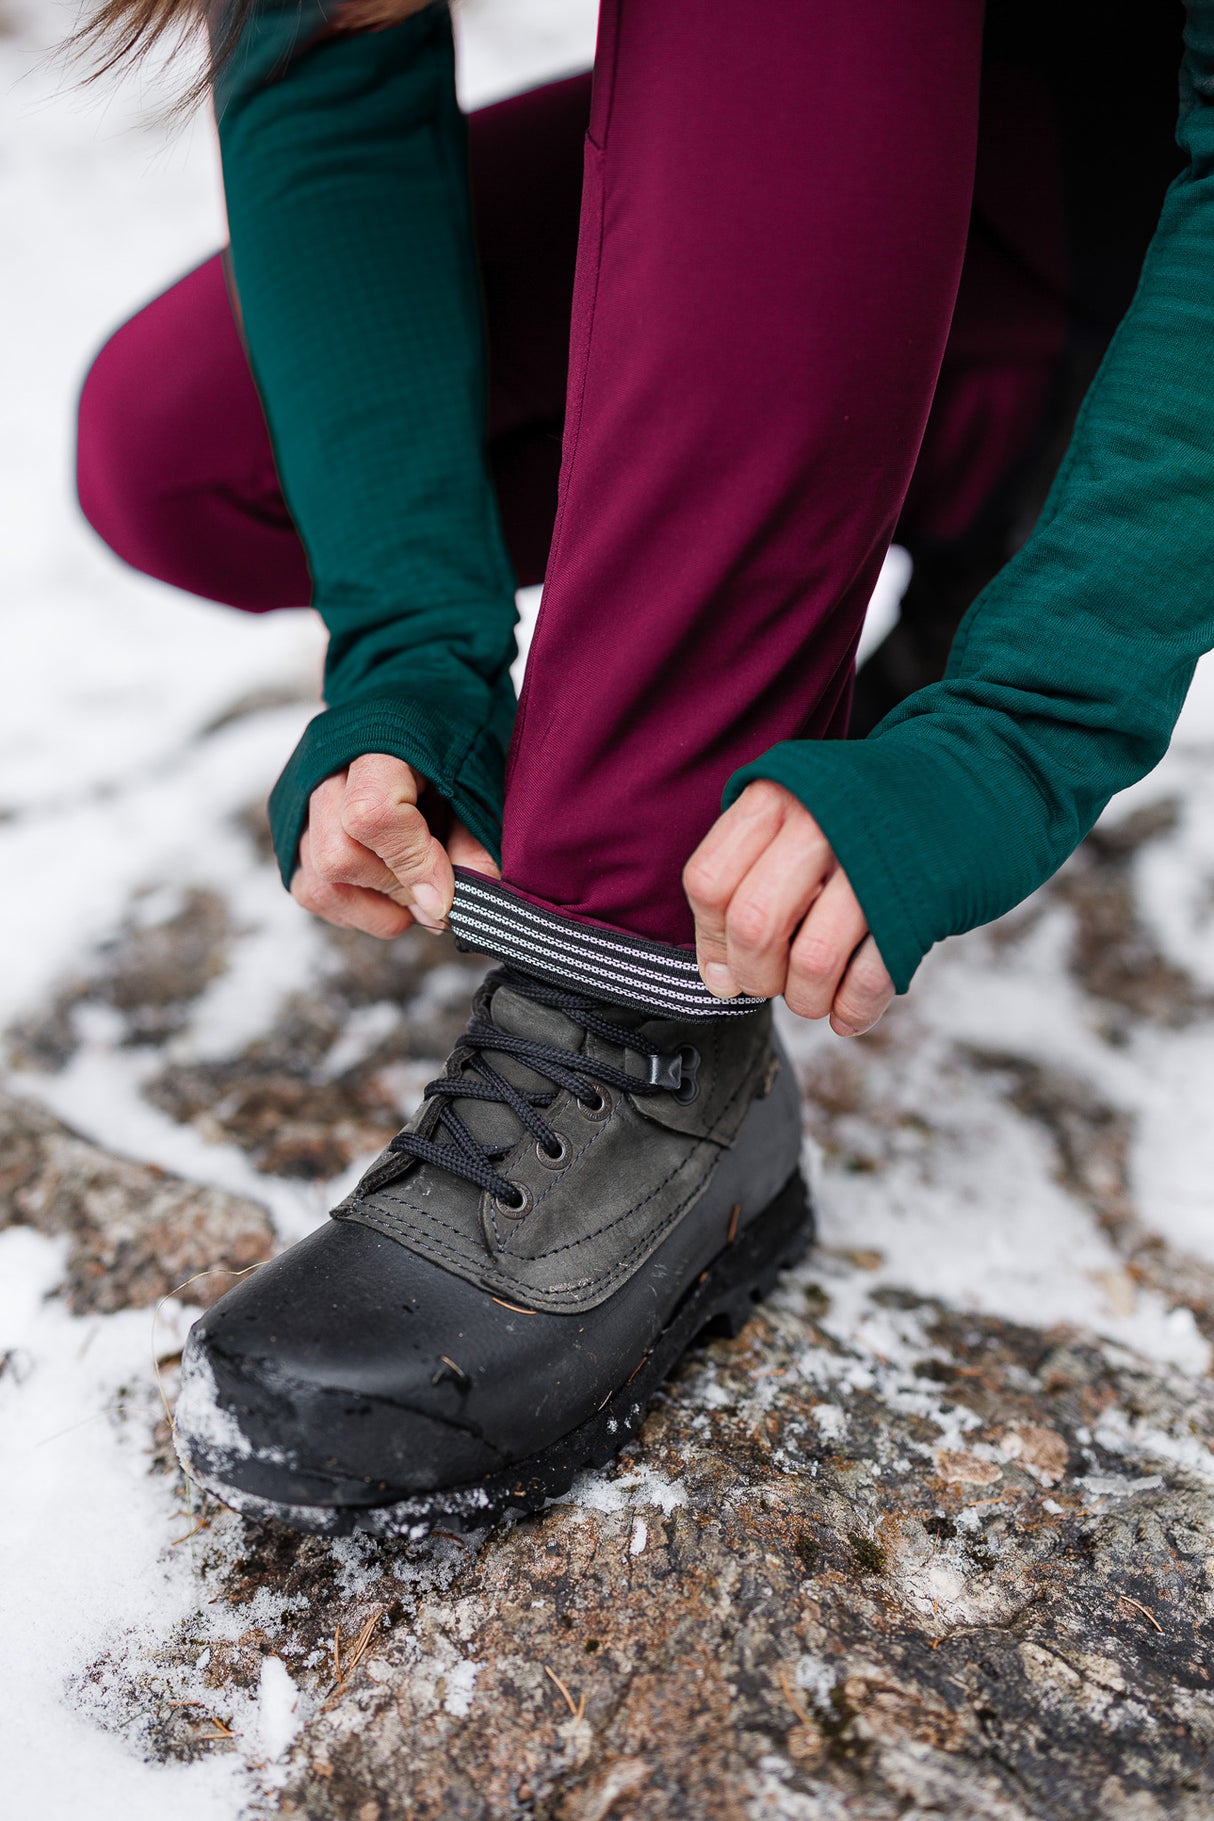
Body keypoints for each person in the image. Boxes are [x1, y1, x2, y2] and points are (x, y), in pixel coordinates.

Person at [75, 0, 1204, 1537]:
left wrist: (1026, 711)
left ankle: (639, 1029)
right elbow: (327, 68)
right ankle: (998, 470)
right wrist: (409, 646)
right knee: (190, 449)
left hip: (1137, 235)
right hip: (915, 217)